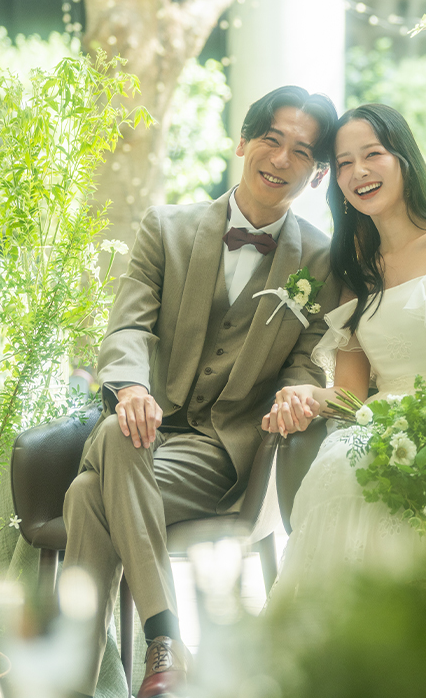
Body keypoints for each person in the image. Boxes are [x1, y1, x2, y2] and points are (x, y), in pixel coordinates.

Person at [61, 85, 339, 698]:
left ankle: (77, 685)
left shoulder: (322, 261)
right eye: (271, 139)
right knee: (114, 439)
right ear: (243, 142)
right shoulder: (166, 227)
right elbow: (128, 326)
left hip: (223, 451)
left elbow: (305, 363)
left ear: (317, 174)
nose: (281, 159)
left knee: (88, 493)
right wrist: (132, 388)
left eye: (301, 151)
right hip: (147, 429)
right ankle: (165, 648)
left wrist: (296, 396)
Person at [263, 103, 426, 596]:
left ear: (403, 157)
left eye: (373, 154)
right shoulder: (354, 267)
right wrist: (304, 395)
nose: (358, 171)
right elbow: (351, 395)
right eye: (344, 163)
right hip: (382, 422)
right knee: (343, 469)